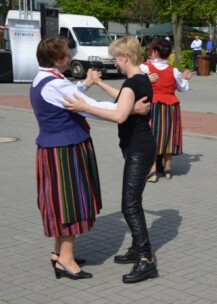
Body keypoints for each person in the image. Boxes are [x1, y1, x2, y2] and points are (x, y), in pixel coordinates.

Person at [30, 36, 148, 281]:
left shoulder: (45, 78)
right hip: (65, 149)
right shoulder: (54, 84)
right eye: (66, 54)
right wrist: (128, 110)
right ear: (58, 60)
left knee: (60, 201)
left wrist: (86, 83)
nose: (69, 56)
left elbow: (72, 94)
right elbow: (86, 106)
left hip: (56, 147)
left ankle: (58, 252)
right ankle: (67, 259)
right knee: (70, 202)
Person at [64, 36, 159, 283]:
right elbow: (123, 100)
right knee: (133, 203)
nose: (115, 64)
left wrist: (83, 106)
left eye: (116, 59)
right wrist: (100, 86)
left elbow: (118, 114)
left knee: (129, 205)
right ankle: (138, 249)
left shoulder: (133, 83)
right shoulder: (141, 80)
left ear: (125, 57)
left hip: (139, 150)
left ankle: (146, 260)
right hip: (140, 147)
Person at [141, 37, 191, 182]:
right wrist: (186, 78)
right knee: (169, 136)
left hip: (154, 105)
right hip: (171, 106)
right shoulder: (173, 70)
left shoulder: (145, 68)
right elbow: (183, 88)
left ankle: (152, 171)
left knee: (152, 136)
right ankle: (168, 168)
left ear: (155, 52)